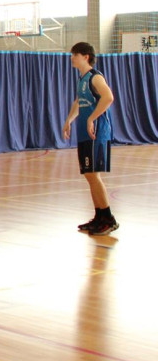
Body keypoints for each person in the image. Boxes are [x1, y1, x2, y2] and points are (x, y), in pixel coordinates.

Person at [62, 42, 118, 235]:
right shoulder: (82, 79)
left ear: (85, 56)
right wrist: (69, 120)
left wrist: (92, 118)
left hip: (97, 132)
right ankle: (99, 216)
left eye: (74, 55)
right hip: (84, 133)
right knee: (89, 175)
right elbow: (78, 102)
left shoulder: (95, 77)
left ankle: (108, 219)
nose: (71, 58)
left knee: (94, 175)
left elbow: (108, 97)